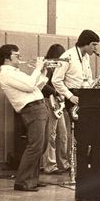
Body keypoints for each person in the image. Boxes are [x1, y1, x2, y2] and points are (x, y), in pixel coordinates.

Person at [0, 44, 49, 192]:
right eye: (17, 56)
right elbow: (28, 85)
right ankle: (22, 181)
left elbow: (35, 86)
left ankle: (32, 179)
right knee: (35, 145)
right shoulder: (6, 74)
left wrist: (43, 71)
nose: (20, 58)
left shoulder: (16, 72)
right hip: (31, 109)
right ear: (7, 58)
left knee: (42, 145)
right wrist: (37, 68)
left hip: (38, 106)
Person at [52, 29, 100, 113]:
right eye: (94, 45)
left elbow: (88, 78)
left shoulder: (86, 57)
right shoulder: (67, 56)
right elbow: (56, 80)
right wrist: (70, 96)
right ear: (85, 43)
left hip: (84, 95)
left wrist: (93, 85)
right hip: (73, 97)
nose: (96, 48)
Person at [41, 44, 70, 174]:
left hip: (59, 103)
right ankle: (49, 165)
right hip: (49, 102)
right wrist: (55, 92)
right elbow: (41, 84)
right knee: (51, 135)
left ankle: (64, 163)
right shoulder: (47, 67)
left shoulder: (60, 69)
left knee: (63, 135)